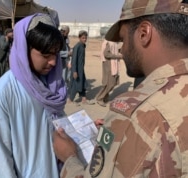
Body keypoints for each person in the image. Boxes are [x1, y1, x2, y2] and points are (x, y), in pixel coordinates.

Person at [53, 0, 188, 177]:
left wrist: (69, 157)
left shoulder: (135, 112)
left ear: (144, 34)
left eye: (123, 39)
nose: (122, 50)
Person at [0, 13, 67, 178]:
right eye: (46, 55)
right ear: (24, 48)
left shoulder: (52, 86)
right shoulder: (1, 95)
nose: (53, 62)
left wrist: (84, 129)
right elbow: (1, 160)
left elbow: (58, 127)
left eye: (55, 55)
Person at [68, 30, 94, 105]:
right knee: (77, 84)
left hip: (81, 68)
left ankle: (84, 99)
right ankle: (70, 100)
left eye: (85, 38)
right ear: (79, 38)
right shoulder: (77, 46)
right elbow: (74, 59)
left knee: (82, 83)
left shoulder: (83, 46)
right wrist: (74, 71)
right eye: (83, 38)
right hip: (77, 69)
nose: (84, 39)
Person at [96, 39, 122, 107]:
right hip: (109, 65)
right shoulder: (109, 42)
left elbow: (114, 51)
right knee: (109, 83)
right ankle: (99, 98)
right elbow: (106, 54)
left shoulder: (114, 42)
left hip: (112, 64)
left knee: (111, 82)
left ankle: (104, 97)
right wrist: (118, 56)